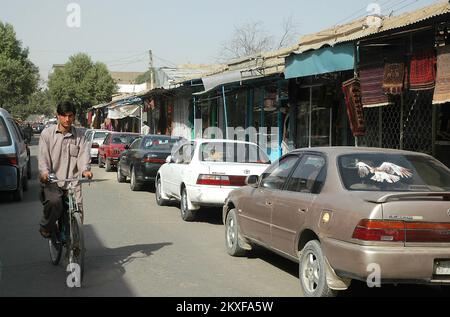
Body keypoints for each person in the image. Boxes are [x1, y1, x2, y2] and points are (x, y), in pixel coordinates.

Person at [38, 101, 93, 238]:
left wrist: (85, 170)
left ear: (74, 117)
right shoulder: (47, 134)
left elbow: (83, 156)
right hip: (53, 181)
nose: (67, 119)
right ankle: (46, 226)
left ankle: (76, 244)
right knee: (55, 203)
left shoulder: (81, 135)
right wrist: (44, 173)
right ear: (58, 116)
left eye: (70, 116)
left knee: (78, 213)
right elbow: (43, 158)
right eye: (64, 116)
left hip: (73, 183)